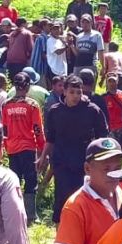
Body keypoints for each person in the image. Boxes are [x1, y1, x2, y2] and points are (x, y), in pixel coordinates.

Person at [41, 74, 109, 223]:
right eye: (72, 92)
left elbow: (103, 138)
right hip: (62, 161)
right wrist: (43, 158)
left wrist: (102, 162)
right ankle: (62, 235)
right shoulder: (55, 111)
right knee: (62, 198)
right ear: (64, 91)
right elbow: (50, 139)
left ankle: (85, 228)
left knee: (84, 197)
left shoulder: (92, 110)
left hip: (84, 162)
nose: (75, 96)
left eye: (79, 92)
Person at [0, 72, 45, 222]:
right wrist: (42, 147)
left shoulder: (6, 105)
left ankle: (14, 212)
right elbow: (38, 128)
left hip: (12, 147)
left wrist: (6, 146)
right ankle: (31, 214)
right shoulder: (32, 105)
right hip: (28, 147)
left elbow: (4, 128)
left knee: (15, 180)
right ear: (28, 87)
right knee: (31, 180)